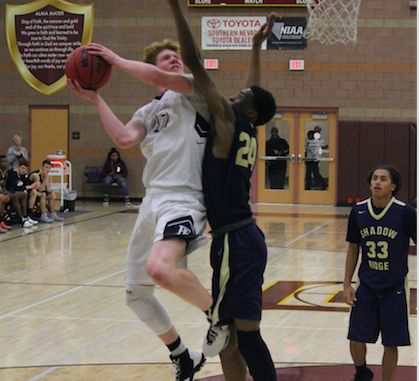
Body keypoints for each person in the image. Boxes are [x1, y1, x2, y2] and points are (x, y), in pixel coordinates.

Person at [67, 37, 212, 380]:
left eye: (176, 56)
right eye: (166, 57)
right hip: (151, 201)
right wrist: (96, 98)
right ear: (154, 64)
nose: (174, 60)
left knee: (161, 271)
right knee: (136, 295)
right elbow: (123, 138)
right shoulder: (146, 112)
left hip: (184, 197)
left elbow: (158, 80)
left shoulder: (193, 90)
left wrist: (115, 59)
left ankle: (219, 315)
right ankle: (182, 355)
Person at [168, 1, 277, 380]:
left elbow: (195, 62)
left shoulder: (229, 122)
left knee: (244, 338)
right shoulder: (247, 125)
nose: (233, 95)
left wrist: (175, 8)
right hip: (241, 238)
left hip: (235, 240)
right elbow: (257, 95)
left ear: (246, 112)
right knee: (230, 339)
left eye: (240, 96)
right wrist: (255, 48)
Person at [343, 165, 416, 381]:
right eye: (374, 178)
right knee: (356, 337)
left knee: (391, 342)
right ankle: (362, 372)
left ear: (393, 186)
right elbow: (353, 247)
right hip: (366, 285)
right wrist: (347, 283)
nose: (377, 182)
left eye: (383, 179)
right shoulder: (359, 211)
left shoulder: (405, 213)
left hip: (394, 287)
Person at [5, 158, 39, 227]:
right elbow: (15, 186)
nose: (24, 171)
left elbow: (25, 184)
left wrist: (31, 187)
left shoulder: (23, 175)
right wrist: (28, 187)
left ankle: (27, 216)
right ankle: (22, 219)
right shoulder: (12, 173)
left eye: (26, 169)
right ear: (18, 166)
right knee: (23, 194)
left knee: (31, 192)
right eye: (22, 168)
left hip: (18, 192)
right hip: (9, 191)